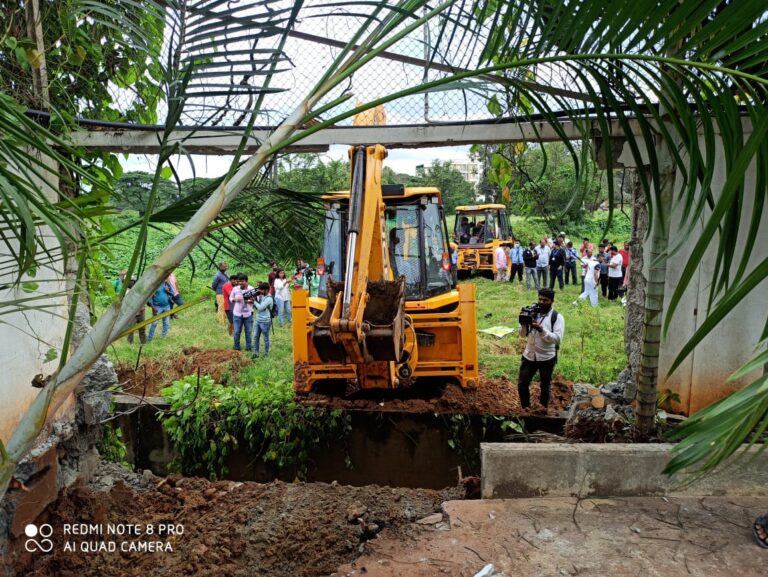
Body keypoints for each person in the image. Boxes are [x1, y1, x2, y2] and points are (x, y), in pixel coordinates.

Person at [517, 288, 565, 409]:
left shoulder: (557, 318)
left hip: (546, 357)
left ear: (552, 301)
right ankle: (525, 408)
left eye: (545, 300)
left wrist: (541, 329)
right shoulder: (532, 312)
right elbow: (522, 335)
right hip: (529, 355)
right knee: (522, 384)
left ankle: (542, 409)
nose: (542, 302)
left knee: (545, 385)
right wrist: (523, 324)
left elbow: (557, 339)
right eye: (540, 299)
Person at [230, 274, 254, 352]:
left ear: (246, 281)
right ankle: (237, 348)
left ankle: (248, 348)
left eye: (242, 281)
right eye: (239, 281)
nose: (240, 283)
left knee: (248, 331)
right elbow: (230, 298)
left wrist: (250, 301)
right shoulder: (235, 289)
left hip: (248, 314)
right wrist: (235, 300)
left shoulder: (251, 289)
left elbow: (255, 299)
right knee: (237, 331)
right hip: (237, 314)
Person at [252, 282, 274, 358]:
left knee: (266, 338)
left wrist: (253, 301)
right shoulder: (262, 296)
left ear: (266, 290)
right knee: (255, 337)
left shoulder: (269, 299)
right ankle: (256, 353)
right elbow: (258, 306)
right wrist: (255, 299)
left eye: (261, 290)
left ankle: (266, 354)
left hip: (265, 321)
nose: (260, 292)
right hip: (258, 319)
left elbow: (261, 307)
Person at [125, 278, 146, 345]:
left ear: (133, 282)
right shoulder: (127, 291)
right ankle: (130, 343)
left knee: (142, 328)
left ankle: (143, 343)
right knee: (131, 329)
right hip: (132, 314)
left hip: (141, 311)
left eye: (130, 281)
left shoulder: (139, 289)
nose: (129, 283)